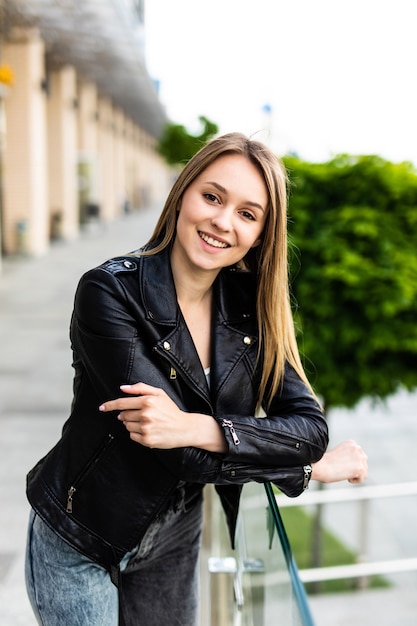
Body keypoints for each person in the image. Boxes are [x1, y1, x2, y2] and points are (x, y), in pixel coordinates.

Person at [25, 132, 367, 625]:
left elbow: (309, 431)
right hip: (82, 536)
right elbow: (169, 448)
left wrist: (199, 427)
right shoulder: (109, 293)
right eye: (212, 197)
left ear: (261, 233)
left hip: (173, 537)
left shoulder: (250, 309)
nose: (222, 222)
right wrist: (306, 470)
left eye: (248, 214)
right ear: (183, 193)